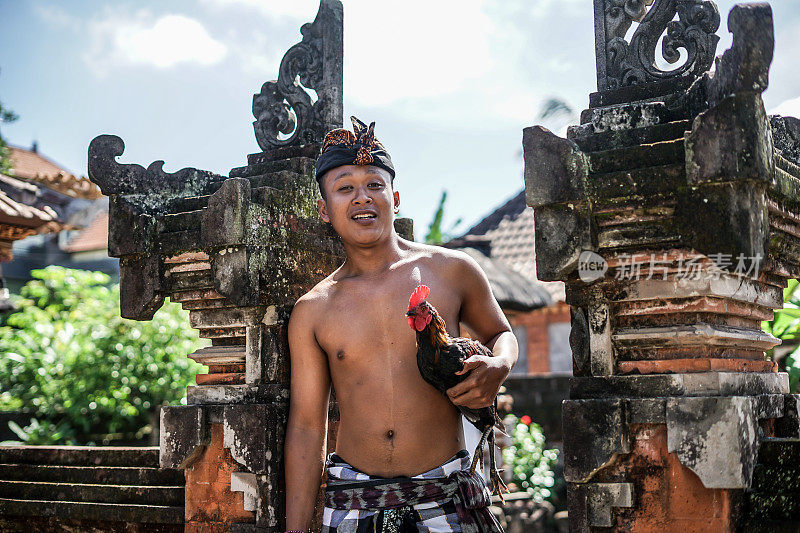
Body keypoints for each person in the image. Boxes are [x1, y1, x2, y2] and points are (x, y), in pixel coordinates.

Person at [284, 117, 517, 532]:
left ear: (394, 197)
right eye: (345, 188)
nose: (362, 198)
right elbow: (306, 427)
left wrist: (499, 366)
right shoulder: (313, 309)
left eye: (374, 185)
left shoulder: (453, 270)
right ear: (324, 210)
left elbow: (501, 334)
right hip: (354, 499)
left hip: (444, 493)